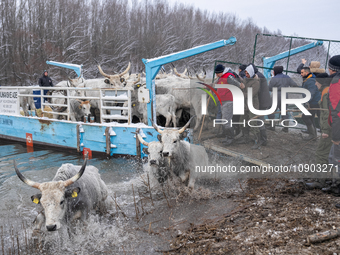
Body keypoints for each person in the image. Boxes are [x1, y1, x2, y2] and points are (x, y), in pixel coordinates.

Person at [305, 73, 332, 189]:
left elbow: (327, 113)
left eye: (317, 82)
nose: (315, 84)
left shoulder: (326, 93)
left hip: (329, 130)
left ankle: (320, 181)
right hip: (333, 128)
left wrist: (325, 130)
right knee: (331, 155)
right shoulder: (328, 91)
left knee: (321, 154)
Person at [214, 64, 243, 146]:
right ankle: (228, 137)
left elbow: (238, 84)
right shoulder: (221, 77)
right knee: (225, 120)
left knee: (227, 120)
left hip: (229, 101)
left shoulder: (229, 77)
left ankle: (230, 138)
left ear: (221, 72)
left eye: (217, 73)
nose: (216, 75)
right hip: (223, 102)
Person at [236, 64, 262, 149]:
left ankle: (257, 141)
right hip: (245, 105)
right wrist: (241, 87)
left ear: (251, 73)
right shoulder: (245, 80)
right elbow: (242, 88)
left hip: (253, 106)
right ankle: (245, 138)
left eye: (247, 73)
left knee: (253, 123)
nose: (246, 75)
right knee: (242, 121)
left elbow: (251, 94)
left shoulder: (256, 82)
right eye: (245, 73)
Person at [268, 66, 299, 132]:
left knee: (271, 111)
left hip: (276, 95)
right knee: (284, 112)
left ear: (275, 71)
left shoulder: (274, 78)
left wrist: (270, 84)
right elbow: (294, 85)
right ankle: (286, 128)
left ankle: (272, 127)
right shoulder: (287, 77)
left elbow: (270, 88)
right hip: (285, 95)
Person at [300, 67, 321, 140]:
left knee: (305, 117)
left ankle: (313, 135)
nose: (301, 74)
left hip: (313, 102)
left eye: (302, 72)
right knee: (310, 117)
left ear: (306, 72)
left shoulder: (310, 80)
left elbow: (312, 92)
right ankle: (313, 135)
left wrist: (307, 101)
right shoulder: (308, 79)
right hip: (313, 102)